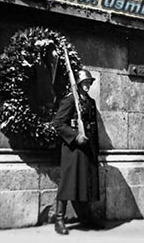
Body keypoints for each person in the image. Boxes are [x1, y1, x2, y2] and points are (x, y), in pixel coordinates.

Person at [53, 69, 99, 235]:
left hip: (87, 148)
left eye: (89, 83)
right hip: (73, 148)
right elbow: (58, 123)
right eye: (85, 83)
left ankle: (86, 217)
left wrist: (95, 150)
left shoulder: (90, 102)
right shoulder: (71, 100)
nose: (87, 85)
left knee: (85, 182)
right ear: (78, 84)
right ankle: (59, 219)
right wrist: (74, 137)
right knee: (68, 183)